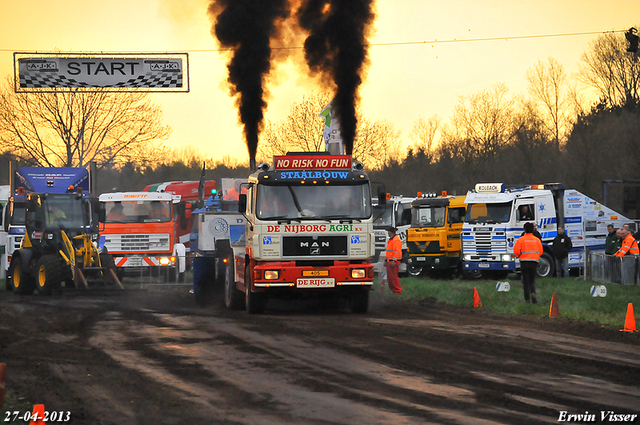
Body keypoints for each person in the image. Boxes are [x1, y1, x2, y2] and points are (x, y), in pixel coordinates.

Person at [514, 222, 543, 304]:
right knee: (532, 280)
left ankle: (527, 299)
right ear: (533, 229)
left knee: (525, 281)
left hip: (524, 262)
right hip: (534, 262)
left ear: (525, 229)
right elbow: (540, 252)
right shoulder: (537, 240)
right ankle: (533, 292)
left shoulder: (521, 240)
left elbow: (516, 251)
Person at [384, 226, 402, 295]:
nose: (387, 233)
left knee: (394, 278)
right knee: (390, 278)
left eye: (388, 231)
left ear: (390, 232)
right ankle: (394, 291)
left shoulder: (396, 240)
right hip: (390, 261)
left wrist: (394, 261)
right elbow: (389, 252)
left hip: (393, 262)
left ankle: (397, 291)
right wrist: (386, 260)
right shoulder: (391, 240)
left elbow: (397, 252)